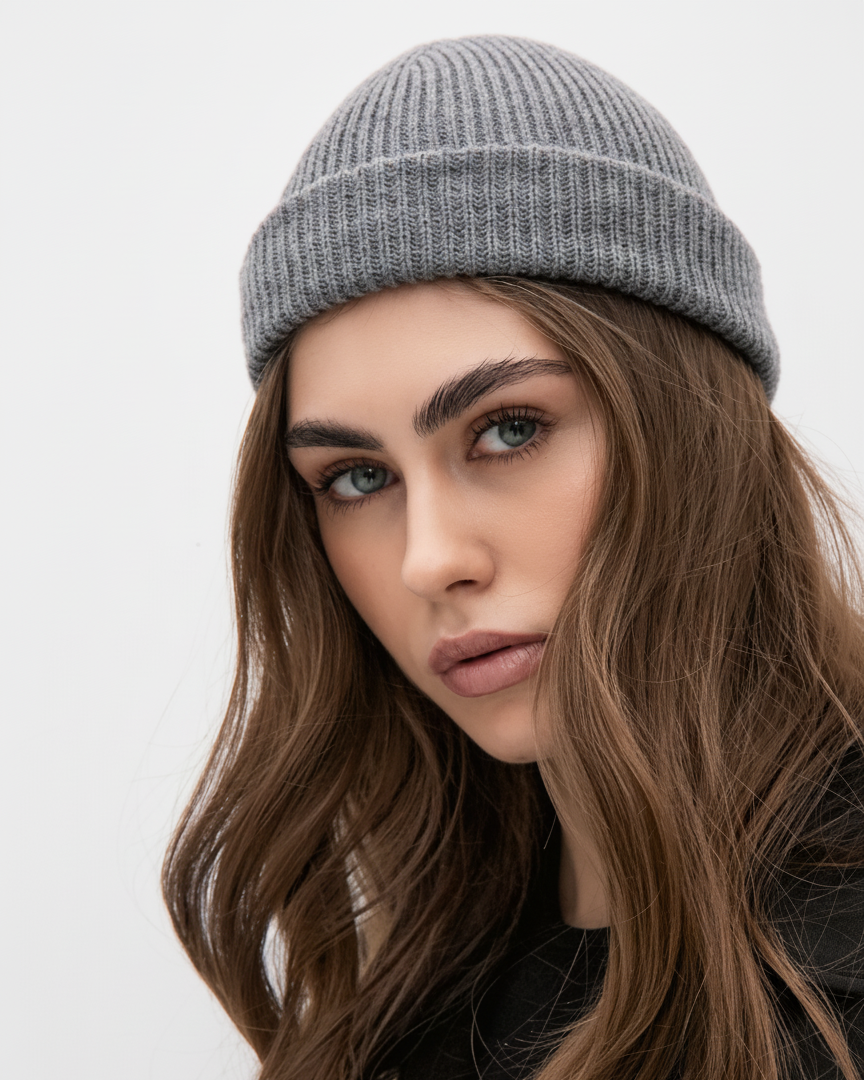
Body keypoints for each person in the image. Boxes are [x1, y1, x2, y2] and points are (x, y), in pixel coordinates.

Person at [163, 36, 864, 1080]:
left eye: (508, 431)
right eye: (357, 477)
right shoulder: (422, 981)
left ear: (692, 428)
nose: (428, 561)